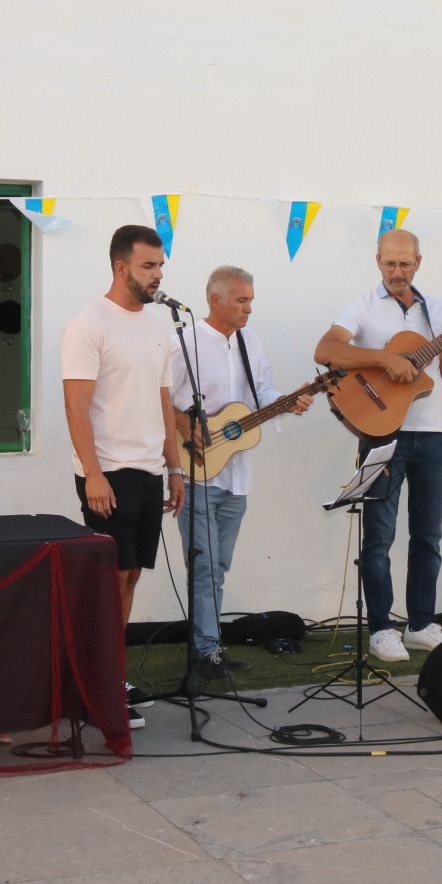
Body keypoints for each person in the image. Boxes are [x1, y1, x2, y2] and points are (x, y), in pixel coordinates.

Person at [314, 229, 442, 663]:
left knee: (428, 535)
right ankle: (381, 628)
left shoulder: (436, 309)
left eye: (405, 263)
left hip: (433, 433)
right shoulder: (362, 305)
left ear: (419, 263)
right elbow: (326, 350)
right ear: (378, 260)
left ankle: (420, 624)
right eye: (390, 263)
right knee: (379, 537)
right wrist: (384, 358)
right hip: (383, 431)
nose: (397, 271)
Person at [62, 225, 186, 727]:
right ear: (120, 267)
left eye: (160, 266)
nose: (158, 276)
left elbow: (163, 401)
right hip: (107, 472)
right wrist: (92, 474)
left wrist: (174, 466)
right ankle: (97, 686)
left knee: (131, 575)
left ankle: (111, 676)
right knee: (110, 578)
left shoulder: (157, 328)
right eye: (148, 266)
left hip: (148, 470)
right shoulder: (88, 324)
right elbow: (76, 407)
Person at [171, 266, 314, 682]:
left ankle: (209, 646)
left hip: (236, 475)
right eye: (241, 300)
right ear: (215, 300)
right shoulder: (184, 343)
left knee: (218, 566)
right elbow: (160, 397)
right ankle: (205, 650)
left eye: (251, 300)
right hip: (197, 473)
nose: (249, 308)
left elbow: (261, 393)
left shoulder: (251, 342)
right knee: (204, 567)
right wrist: (184, 426)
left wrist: (287, 401)